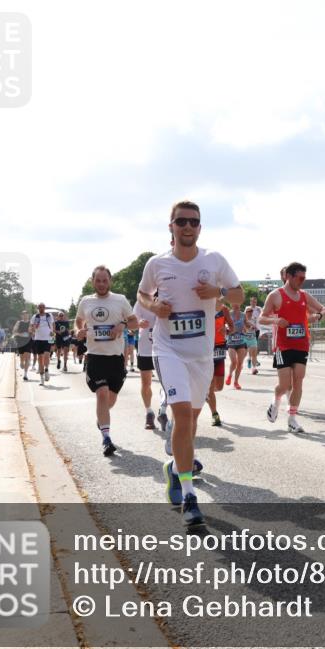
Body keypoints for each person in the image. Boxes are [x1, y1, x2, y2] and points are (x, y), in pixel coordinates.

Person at [137, 200, 242, 529]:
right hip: (167, 349)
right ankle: (189, 496)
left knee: (191, 424)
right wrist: (154, 305)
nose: (187, 226)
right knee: (182, 414)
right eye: (180, 221)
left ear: (200, 227)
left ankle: (174, 468)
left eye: (193, 222)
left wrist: (219, 291)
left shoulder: (214, 260)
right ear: (170, 226)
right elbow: (141, 295)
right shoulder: (157, 264)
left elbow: (238, 295)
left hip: (201, 355)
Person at [260, 261, 325, 433]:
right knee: (284, 385)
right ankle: (276, 401)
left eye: (304, 278)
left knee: (298, 381)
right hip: (283, 346)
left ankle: (292, 418)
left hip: (302, 344)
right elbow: (261, 318)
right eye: (299, 278)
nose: (302, 281)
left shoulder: (304, 295)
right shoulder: (276, 295)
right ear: (288, 276)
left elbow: (323, 309)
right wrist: (276, 320)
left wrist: (317, 316)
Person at [76, 266, 136, 456]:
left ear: (110, 281)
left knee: (110, 399)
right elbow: (78, 320)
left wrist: (123, 325)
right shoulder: (86, 301)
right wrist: (80, 329)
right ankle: (106, 438)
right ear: (92, 281)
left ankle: (102, 420)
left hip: (116, 358)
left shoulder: (120, 300)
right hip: (95, 357)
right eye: (98, 280)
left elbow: (134, 322)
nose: (101, 284)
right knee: (101, 394)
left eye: (104, 280)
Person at [204, 303, 233, 428]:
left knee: (219, 387)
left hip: (220, 349)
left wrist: (226, 329)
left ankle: (206, 394)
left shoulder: (224, 309)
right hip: (206, 348)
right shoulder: (202, 306)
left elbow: (232, 327)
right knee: (210, 386)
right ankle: (215, 414)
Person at [132, 300, 159, 430]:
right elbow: (132, 323)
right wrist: (138, 323)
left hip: (165, 347)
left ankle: (164, 411)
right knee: (146, 383)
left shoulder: (168, 295)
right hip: (145, 348)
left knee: (169, 383)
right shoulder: (141, 301)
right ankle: (149, 412)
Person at [225, 303, 249, 390]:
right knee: (234, 362)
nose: (236, 305)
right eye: (235, 303)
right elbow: (224, 325)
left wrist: (248, 327)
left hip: (241, 341)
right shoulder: (229, 314)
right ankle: (230, 375)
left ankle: (236, 382)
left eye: (238, 303)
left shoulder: (243, 314)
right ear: (232, 304)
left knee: (240, 363)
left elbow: (246, 325)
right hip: (231, 341)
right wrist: (228, 329)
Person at [29, 303, 55, 384]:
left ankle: (46, 369)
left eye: (42, 307)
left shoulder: (49, 315)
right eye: (39, 307)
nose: (41, 308)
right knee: (40, 358)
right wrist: (32, 331)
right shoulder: (35, 316)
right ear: (38, 308)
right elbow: (31, 326)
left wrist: (53, 333)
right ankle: (41, 378)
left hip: (48, 338)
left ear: (45, 308)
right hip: (38, 339)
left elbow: (53, 325)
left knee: (47, 355)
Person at [247, 295, 264, 373]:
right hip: (248, 330)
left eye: (255, 301)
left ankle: (253, 359)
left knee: (255, 346)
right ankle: (249, 358)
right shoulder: (247, 308)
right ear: (250, 302)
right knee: (250, 347)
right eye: (252, 301)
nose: (253, 302)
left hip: (257, 329)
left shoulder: (259, 309)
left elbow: (263, 316)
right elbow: (245, 318)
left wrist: (261, 329)